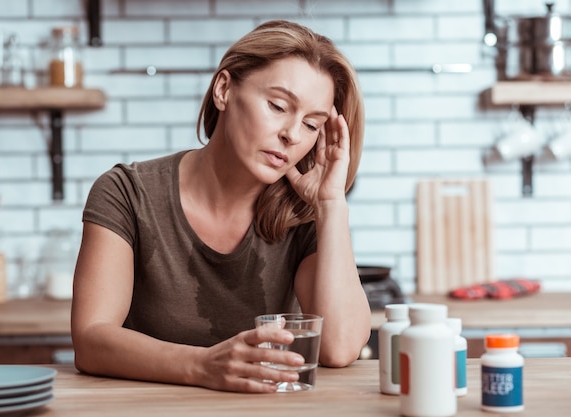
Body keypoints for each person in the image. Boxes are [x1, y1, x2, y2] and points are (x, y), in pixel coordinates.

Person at [71, 19, 371, 393]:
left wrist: (331, 205)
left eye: (312, 124)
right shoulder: (127, 193)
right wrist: (203, 366)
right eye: (278, 106)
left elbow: (340, 348)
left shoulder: (302, 215)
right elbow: (91, 341)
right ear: (224, 89)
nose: (292, 134)